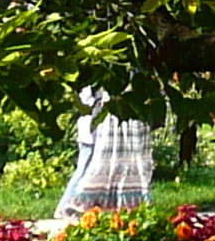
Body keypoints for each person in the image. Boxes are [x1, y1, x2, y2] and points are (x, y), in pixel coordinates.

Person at [56, 88, 156, 218]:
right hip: (94, 134)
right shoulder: (99, 90)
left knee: (85, 169)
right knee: (87, 171)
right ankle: (65, 207)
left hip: (94, 133)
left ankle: (64, 207)